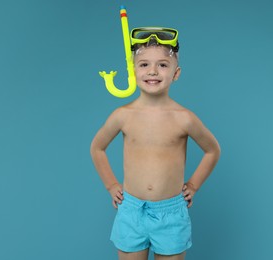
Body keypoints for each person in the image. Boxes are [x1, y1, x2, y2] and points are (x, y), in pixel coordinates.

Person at [90, 27, 221, 260]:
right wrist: (111, 185)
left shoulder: (184, 118)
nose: (153, 71)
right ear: (132, 70)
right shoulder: (123, 115)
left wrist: (193, 185)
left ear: (176, 73)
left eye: (162, 64)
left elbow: (212, 150)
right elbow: (97, 147)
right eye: (144, 65)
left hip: (171, 213)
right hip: (131, 211)